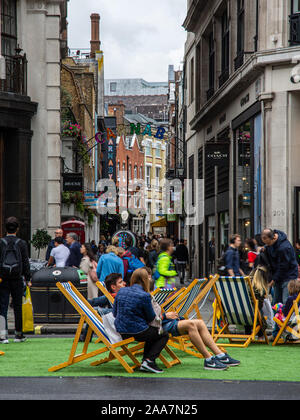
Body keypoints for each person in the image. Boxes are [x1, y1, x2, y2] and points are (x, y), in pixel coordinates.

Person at [146, 269, 240, 371]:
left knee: (200, 322)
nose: (151, 278)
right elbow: (151, 319)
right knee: (191, 324)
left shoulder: (147, 292)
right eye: (148, 276)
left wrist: (165, 315)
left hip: (162, 321)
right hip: (158, 325)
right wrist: (165, 316)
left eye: (150, 275)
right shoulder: (143, 296)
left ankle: (220, 355)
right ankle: (208, 359)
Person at [113, 268, 169, 374]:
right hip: (137, 331)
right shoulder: (145, 296)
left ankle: (146, 361)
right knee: (163, 334)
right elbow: (150, 317)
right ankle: (149, 360)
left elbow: (115, 313)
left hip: (121, 330)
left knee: (151, 332)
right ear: (145, 280)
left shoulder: (121, 291)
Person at [0, 217, 31, 344]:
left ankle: (2, 336)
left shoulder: (1, 242)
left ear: (5, 228)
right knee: (18, 306)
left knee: (2, 307)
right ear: (17, 229)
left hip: (3, 279)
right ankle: (18, 335)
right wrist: (28, 278)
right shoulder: (21, 243)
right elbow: (25, 262)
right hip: (17, 279)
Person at [261, 229, 298, 306]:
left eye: (268, 243)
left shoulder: (284, 248)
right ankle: (277, 317)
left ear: (274, 238)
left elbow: (283, 267)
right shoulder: (271, 242)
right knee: (276, 302)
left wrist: (273, 281)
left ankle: (287, 317)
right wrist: (265, 247)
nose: (268, 245)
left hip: (288, 276)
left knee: (286, 301)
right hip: (278, 276)